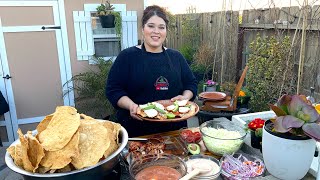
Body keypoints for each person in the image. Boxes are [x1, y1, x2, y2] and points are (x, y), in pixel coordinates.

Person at [106, 5, 197, 137]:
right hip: (137, 131)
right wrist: (131, 105)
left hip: (175, 132)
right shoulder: (127, 57)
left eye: (161, 27)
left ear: (166, 31)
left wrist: (185, 98)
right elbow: (113, 89)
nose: (156, 31)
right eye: (151, 26)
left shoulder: (176, 57)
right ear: (143, 29)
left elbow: (191, 84)